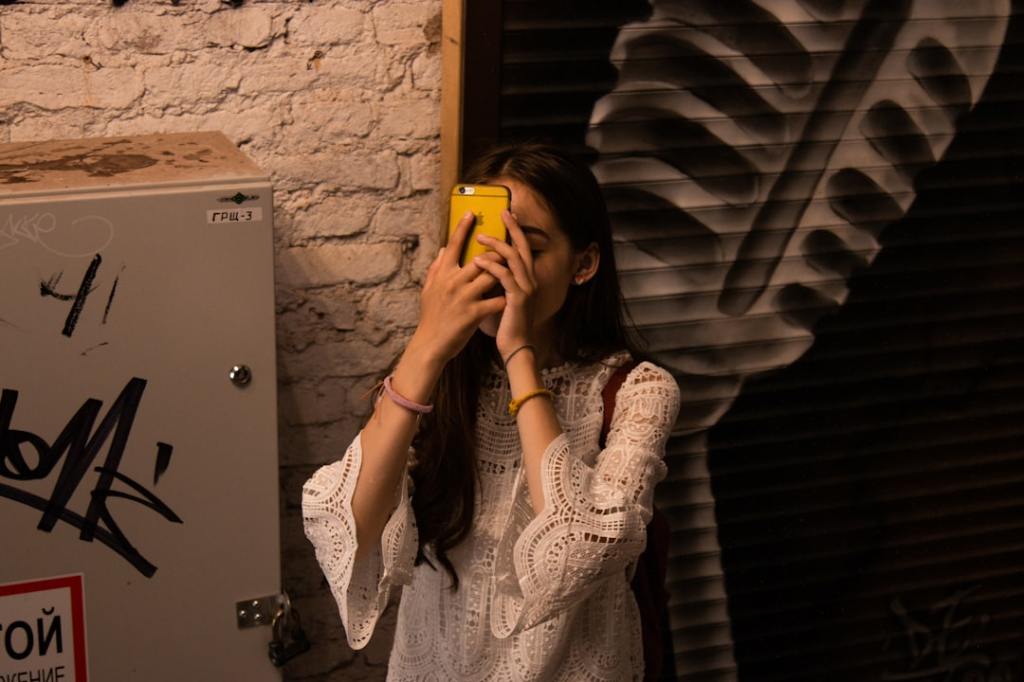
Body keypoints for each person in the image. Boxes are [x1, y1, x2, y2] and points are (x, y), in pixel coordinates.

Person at [302, 143, 681, 681]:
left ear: (584, 264)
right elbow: (349, 532)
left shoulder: (638, 391)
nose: (499, 267)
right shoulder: (439, 380)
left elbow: (577, 551)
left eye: (526, 247)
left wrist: (517, 350)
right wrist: (427, 345)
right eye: (485, 242)